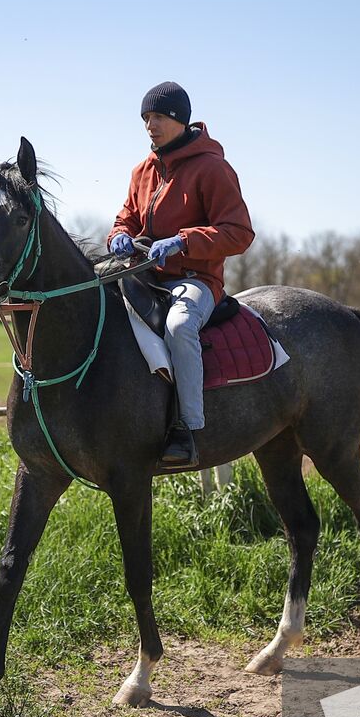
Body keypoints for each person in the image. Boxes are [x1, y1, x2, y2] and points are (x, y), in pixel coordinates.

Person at [107, 82, 256, 468]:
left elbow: (240, 233)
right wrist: (120, 236)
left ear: (178, 119)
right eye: (145, 118)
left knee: (179, 327)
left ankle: (187, 429)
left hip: (196, 282)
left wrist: (182, 241)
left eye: (157, 117)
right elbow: (125, 218)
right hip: (144, 276)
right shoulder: (142, 170)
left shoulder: (213, 168)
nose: (149, 126)